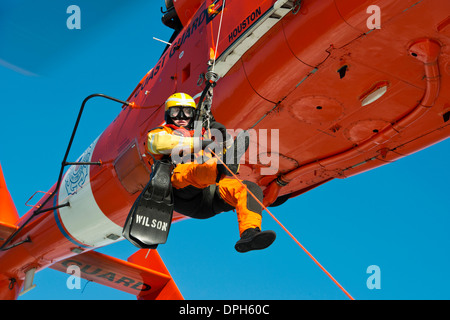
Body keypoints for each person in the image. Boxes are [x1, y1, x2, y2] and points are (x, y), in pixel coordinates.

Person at [146, 92, 276, 253]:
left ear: (193, 115)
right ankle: (221, 166)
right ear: (168, 114)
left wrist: (222, 137)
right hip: (180, 191)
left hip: (210, 195)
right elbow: (157, 144)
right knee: (199, 169)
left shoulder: (204, 135)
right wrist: (198, 142)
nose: (181, 116)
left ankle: (250, 233)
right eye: (175, 112)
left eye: (187, 112)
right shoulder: (161, 133)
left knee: (249, 189)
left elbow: (227, 159)